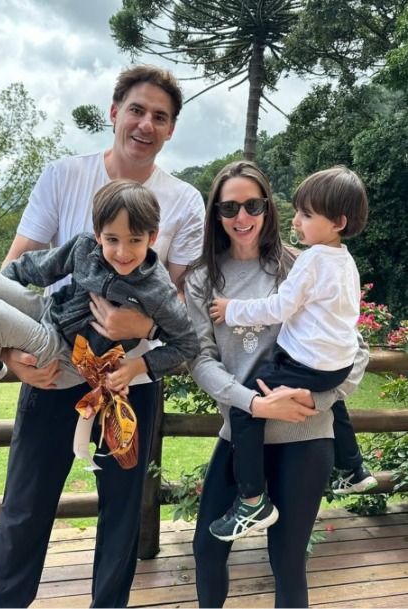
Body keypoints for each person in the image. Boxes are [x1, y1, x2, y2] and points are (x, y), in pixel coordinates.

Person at [0, 65, 205, 608]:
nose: (146, 124)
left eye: (160, 116)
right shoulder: (64, 175)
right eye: (137, 109)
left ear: (171, 128)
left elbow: (182, 302)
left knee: (122, 510)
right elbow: (19, 265)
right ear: (114, 113)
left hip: (129, 382)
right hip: (50, 364)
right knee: (25, 506)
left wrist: (143, 327)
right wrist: (10, 354)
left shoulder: (184, 201)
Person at [184, 160, 369, 608]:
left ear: (268, 207)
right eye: (229, 207)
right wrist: (253, 403)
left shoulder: (303, 262)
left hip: (305, 432)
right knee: (207, 549)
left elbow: (355, 347)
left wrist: (317, 398)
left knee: (288, 561)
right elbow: (201, 359)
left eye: (253, 205)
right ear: (215, 213)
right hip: (243, 428)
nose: (242, 216)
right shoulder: (202, 279)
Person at [0, 180, 199, 416]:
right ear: (97, 234)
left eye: (135, 240)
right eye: (112, 239)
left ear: (152, 237)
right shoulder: (85, 247)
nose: (122, 252)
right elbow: (35, 267)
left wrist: (137, 365)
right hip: (50, 313)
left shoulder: (157, 290)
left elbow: (187, 343)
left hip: (69, 356)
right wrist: (7, 288)